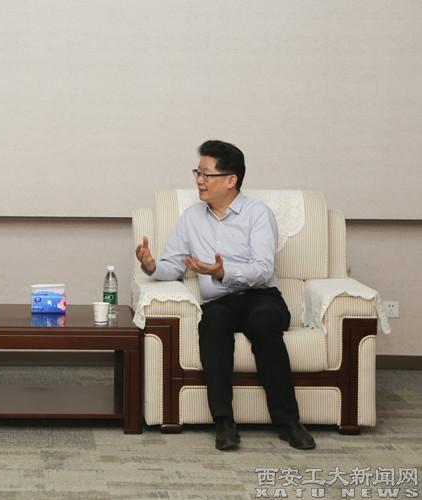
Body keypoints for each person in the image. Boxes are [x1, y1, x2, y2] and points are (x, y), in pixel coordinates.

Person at [135, 140, 315, 451]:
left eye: (206, 174)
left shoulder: (258, 214)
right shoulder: (191, 218)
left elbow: (263, 269)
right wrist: (152, 266)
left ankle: (288, 422)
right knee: (213, 325)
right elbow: (173, 266)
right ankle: (224, 422)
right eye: (197, 173)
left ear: (231, 180)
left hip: (262, 297)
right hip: (219, 302)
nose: (199, 181)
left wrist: (222, 272)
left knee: (263, 324)